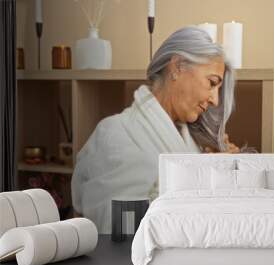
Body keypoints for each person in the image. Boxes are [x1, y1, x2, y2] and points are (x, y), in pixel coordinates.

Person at [71, 27, 239, 233]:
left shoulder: (187, 138)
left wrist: (216, 172)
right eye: (212, 83)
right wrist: (202, 177)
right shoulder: (117, 134)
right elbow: (120, 232)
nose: (215, 100)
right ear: (177, 67)